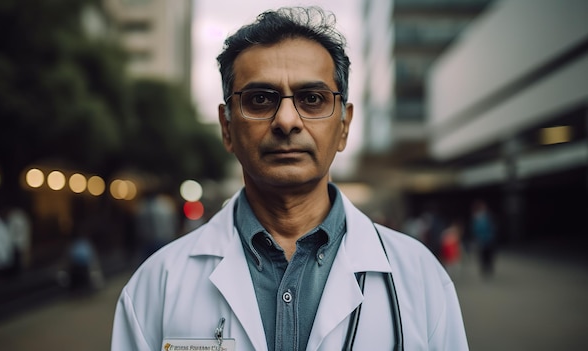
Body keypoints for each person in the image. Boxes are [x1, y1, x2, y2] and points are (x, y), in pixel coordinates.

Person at [112, 7, 468, 350]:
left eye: (312, 99)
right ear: (227, 127)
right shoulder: (158, 283)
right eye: (260, 99)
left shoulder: (420, 278)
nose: (286, 120)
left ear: (343, 126)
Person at [471, 199, 496, 278]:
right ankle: (484, 269)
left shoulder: (488, 216)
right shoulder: (476, 217)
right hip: (481, 240)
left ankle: (489, 268)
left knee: (489, 255)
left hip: (488, 239)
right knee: (482, 256)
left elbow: (492, 227)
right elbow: (474, 229)